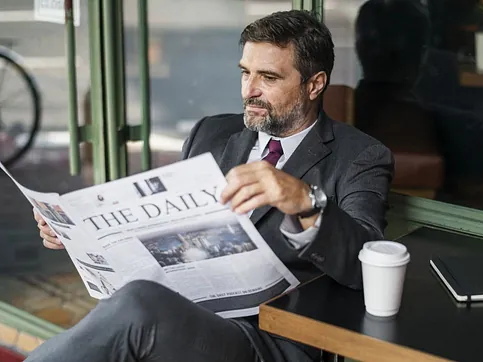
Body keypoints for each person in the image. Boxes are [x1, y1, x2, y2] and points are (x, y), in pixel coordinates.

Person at [28, 10, 394, 362]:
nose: (250, 90)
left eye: (268, 78)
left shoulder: (358, 155)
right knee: (129, 308)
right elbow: (164, 222)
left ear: (314, 85)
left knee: (137, 305)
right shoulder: (212, 132)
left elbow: (367, 263)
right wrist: (79, 232)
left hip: (266, 336)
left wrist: (304, 201)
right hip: (185, 307)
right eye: (245, 73)